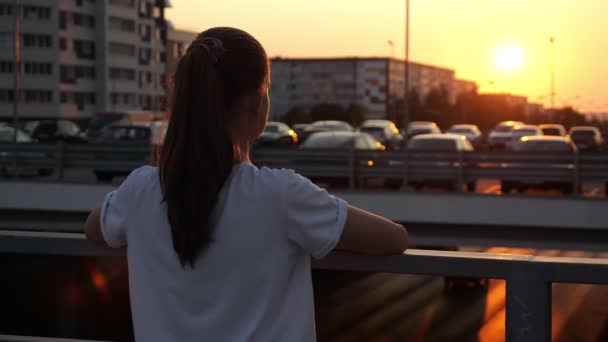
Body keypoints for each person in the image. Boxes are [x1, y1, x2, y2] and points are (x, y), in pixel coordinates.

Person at [85, 27, 407, 341]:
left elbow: (94, 229)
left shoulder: (140, 189)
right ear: (256, 101)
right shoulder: (282, 195)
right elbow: (393, 239)